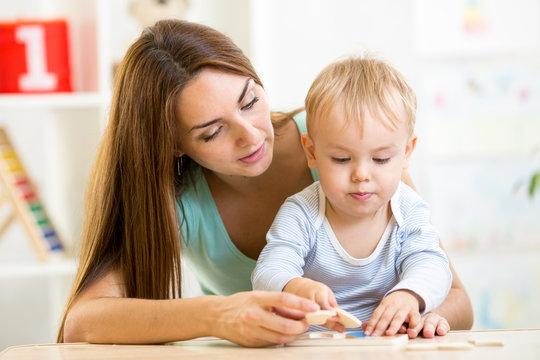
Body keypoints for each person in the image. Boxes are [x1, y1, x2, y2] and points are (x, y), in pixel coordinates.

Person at [57, 19, 473, 347]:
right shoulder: (175, 197)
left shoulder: (347, 138)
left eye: (250, 101)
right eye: (211, 132)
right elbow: (81, 322)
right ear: (173, 146)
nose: (252, 135)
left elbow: (455, 297)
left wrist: (419, 313)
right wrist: (219, 316)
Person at [252, 56, 453, 338]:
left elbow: (433, 266)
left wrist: (409, 295)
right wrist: (295, 286)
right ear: (311, 152)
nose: (361, 175)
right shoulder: (301, 212)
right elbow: (268, 271)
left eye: (381, 159)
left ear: (407, 152)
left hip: (389, 345)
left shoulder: (409, 210)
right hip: (315, 347)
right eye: (342, 158)